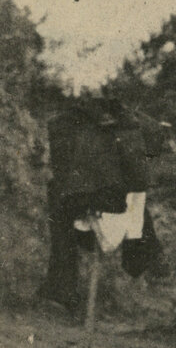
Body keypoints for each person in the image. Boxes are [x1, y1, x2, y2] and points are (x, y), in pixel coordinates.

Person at [39, 92, 156, 312]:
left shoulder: (74, 125)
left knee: (60, 210)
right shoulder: (126, 128)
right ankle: (63, 290)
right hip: (112, 204)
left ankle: (62, 289)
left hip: (91, 203)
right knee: (135, 208)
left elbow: (63, 171)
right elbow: (141, 178)